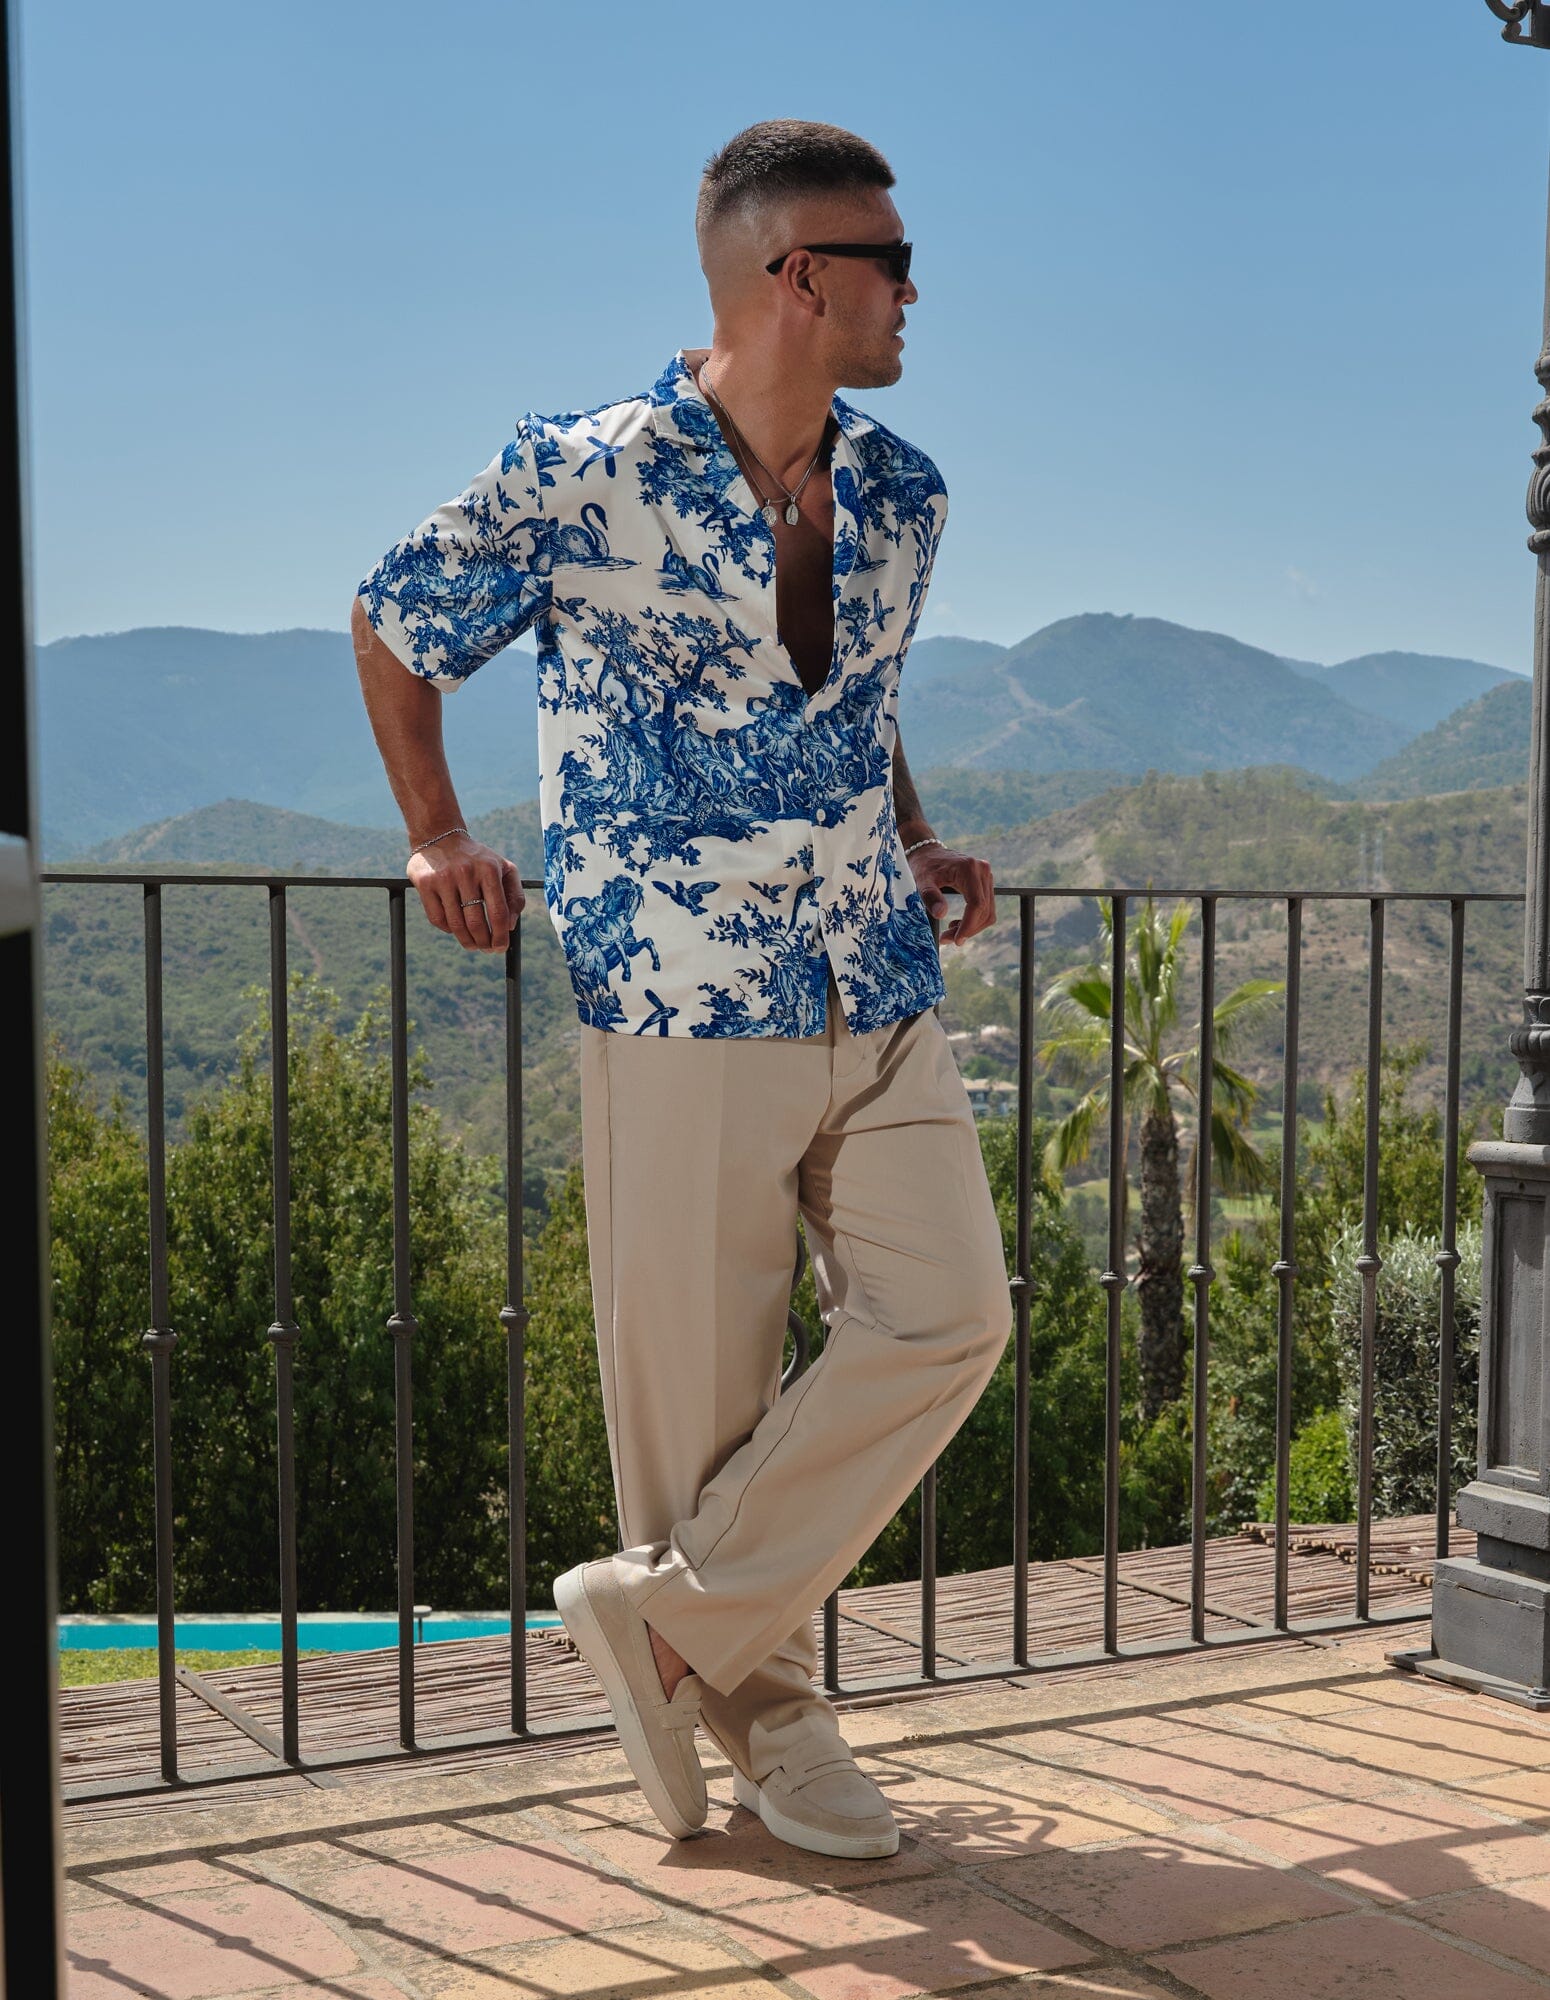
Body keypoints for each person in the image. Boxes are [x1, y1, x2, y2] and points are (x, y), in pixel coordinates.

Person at [351, 118, 1010, 1861]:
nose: (913, 292)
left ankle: (658, 1622)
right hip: (677, 985)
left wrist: (916, 835)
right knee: (698, 1396)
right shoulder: (584, 472)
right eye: (889, 262)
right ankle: (770, 1723)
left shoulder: (904, 492)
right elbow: (396, 624)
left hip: (871, 969)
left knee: (951, 1311)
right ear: (798, 275)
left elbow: (855, 703)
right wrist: (436, 834)